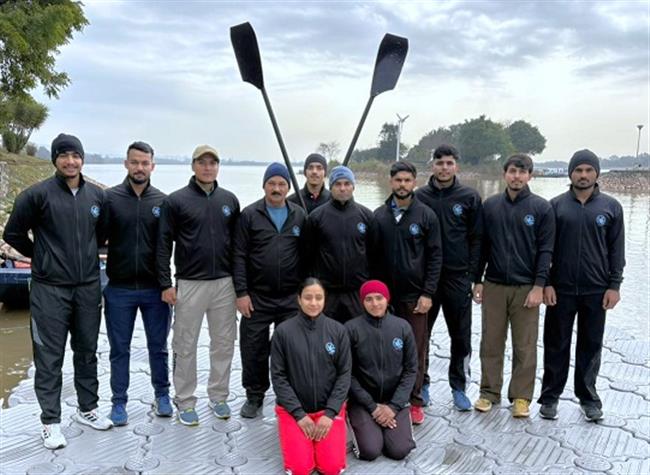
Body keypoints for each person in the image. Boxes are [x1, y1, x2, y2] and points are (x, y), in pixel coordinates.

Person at [3, 133, 113, 449]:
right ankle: (50, 421)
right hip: (49, 289)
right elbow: (13, 233)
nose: (70, 161)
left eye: (75, 155)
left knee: (87, 351)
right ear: (55, 159)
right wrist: (41, 257)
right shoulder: (36, 195)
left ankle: (87, 409)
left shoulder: (97, 197)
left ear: (82, 159)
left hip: (88, 286)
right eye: (63, 155)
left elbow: (102, 235)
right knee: (49, 356)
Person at [538, 149, 625, 421]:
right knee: (555, 344)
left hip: (596, 290)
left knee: (591, 345)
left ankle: (588, 398)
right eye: (578, 170)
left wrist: (614, 285)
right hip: (560, 289)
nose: (583, 175)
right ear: (571, 173)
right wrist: (546, 283)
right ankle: (550, 397)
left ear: (596, 173)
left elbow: (617, 250)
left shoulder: (611, 207)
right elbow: (545, 249)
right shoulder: (555, 206)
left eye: (588, 170)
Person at [156, 145, 240, 425]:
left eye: (212, 163)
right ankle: (185, 399)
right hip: (190, 283)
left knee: (224, 343)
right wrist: (166, 283)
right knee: (185, 343)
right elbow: (163, 245)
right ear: (193, 166)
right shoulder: (176, 201)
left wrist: (240, 286)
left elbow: (238, 246)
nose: (207, 167)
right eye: (202, 162)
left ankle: (219, 396)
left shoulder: (229, 200)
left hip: (224, 283)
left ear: (218, 166)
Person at [473, 153, 555, 418]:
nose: (516, 176)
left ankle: (521, 397)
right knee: (491, 342)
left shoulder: (541, 208)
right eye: (512, 171)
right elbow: (482, 245)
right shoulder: (491, 206)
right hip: (494, 284)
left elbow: (546, 250)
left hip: (526, 287)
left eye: (522, 172)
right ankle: (489, 392)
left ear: (530, 175)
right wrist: (478, 279)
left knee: (525, 345)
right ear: (504, 174)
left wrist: (539, 285)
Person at [101, 141, 172, 426]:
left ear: (152, 166)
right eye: (134, 162)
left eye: (144, 163)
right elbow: (95, 239)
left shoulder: (163, 202)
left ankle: (162, 395)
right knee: (119, 349)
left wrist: (168, 284)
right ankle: (119, 402)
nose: (139, 168)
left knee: (159, 346)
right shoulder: (110, 199)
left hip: (155, 289)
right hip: (119, 288)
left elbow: (167, 246)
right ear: (126, 164)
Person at [233, 163, 307, 418]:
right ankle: (254, 395)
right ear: (264, 185)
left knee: (290, 349)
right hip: (257, 297)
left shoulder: (299, 215)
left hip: (290, 298)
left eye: (281, 184)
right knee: (253, 349)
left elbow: (306, 257)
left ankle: (287, 396)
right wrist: (241, 293)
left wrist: (304, 294)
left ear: (288, 187)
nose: (276, 188)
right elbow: (238, 255)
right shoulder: (249, 215)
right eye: (272, 183)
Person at [372, 161, 442, 424]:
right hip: (384, 299)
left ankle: (414, 401)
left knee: (415, 350)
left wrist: (428, 293)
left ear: (414, 182)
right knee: (384, 350)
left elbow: (435, 257)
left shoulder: (426, 215)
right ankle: (386, 399)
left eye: (407, 180)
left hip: (415, 297)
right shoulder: (379, 216)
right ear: (391, 182)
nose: (402, 185)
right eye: (398, 180)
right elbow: (371, 258)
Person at [415, 145, 483, 411]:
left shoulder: (469, 197)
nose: (444, 168)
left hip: (458, 277)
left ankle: (459, 386)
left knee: (461, 336)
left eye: (449, 163)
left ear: (456, 166)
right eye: (440, 163)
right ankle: (422, 384)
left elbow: (477, 239)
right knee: (422, 334)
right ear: (432, 165)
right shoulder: (419, 197)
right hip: (426, 280)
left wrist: (475, 277)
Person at [271, 278, 351, 475]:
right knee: (300, 469)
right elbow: (278, 377)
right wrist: (298, 414)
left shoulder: (338, 331)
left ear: (325, 299)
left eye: (318, 297)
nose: (313, 303)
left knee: (332, 468)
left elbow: (344, 374)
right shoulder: (283, 332)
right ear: (299, 299)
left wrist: (330, 413)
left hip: (328, 412)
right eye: (308, 297)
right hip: (295, 412)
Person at [345, 280, 417, 461]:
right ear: (362, 302)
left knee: (399, 450)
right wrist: (372, 407)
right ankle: (363, 424)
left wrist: (394, 406)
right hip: (364, 402)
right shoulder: (351, 329)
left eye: (379, 298)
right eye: (368, 299)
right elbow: (347, 373)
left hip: (394, 400)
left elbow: (411, 370)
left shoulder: (402, 327)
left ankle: (387, 426)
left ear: (387, 299)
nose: (375, 303)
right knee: (370, 451)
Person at [303, 166, 374, 323]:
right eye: (338, 184)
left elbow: (374, 255)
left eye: (347, 184)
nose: (342, 188)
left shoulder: (367, 216)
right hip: (327, 292)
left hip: (357, 292)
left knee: (357, 336)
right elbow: (308, 256)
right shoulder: (316, 217)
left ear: (353, 186)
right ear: (331, 187)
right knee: (325, 335)